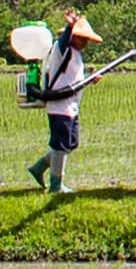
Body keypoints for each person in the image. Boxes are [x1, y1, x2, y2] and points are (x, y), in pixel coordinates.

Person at [28, 14, 108, 193]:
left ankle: (39, 167)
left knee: (72, 142)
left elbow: (73, 82)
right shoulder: (62, 48)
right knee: (60, 144)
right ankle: (56, 185)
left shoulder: (76, 55)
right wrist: (70, 26)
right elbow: (64, 41)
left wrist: (90, 80)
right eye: (81, 38)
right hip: (59, 106)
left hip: (71, 105)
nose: (84, 42)